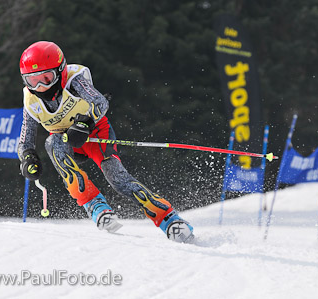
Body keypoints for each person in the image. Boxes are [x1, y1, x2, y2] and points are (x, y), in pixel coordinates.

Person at [17, 41, 194, 243]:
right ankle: (94, 204)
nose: (40, 87)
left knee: (117, 179)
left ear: (60, 71)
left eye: (46, 79)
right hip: (68, 142)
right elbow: (25, 139)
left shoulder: (74, 80)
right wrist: (27, 157)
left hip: (96, 134)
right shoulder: (30, 100)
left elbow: (100, 102)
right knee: (52, 143)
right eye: (32, 81)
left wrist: (85, 123)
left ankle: (169, 219)